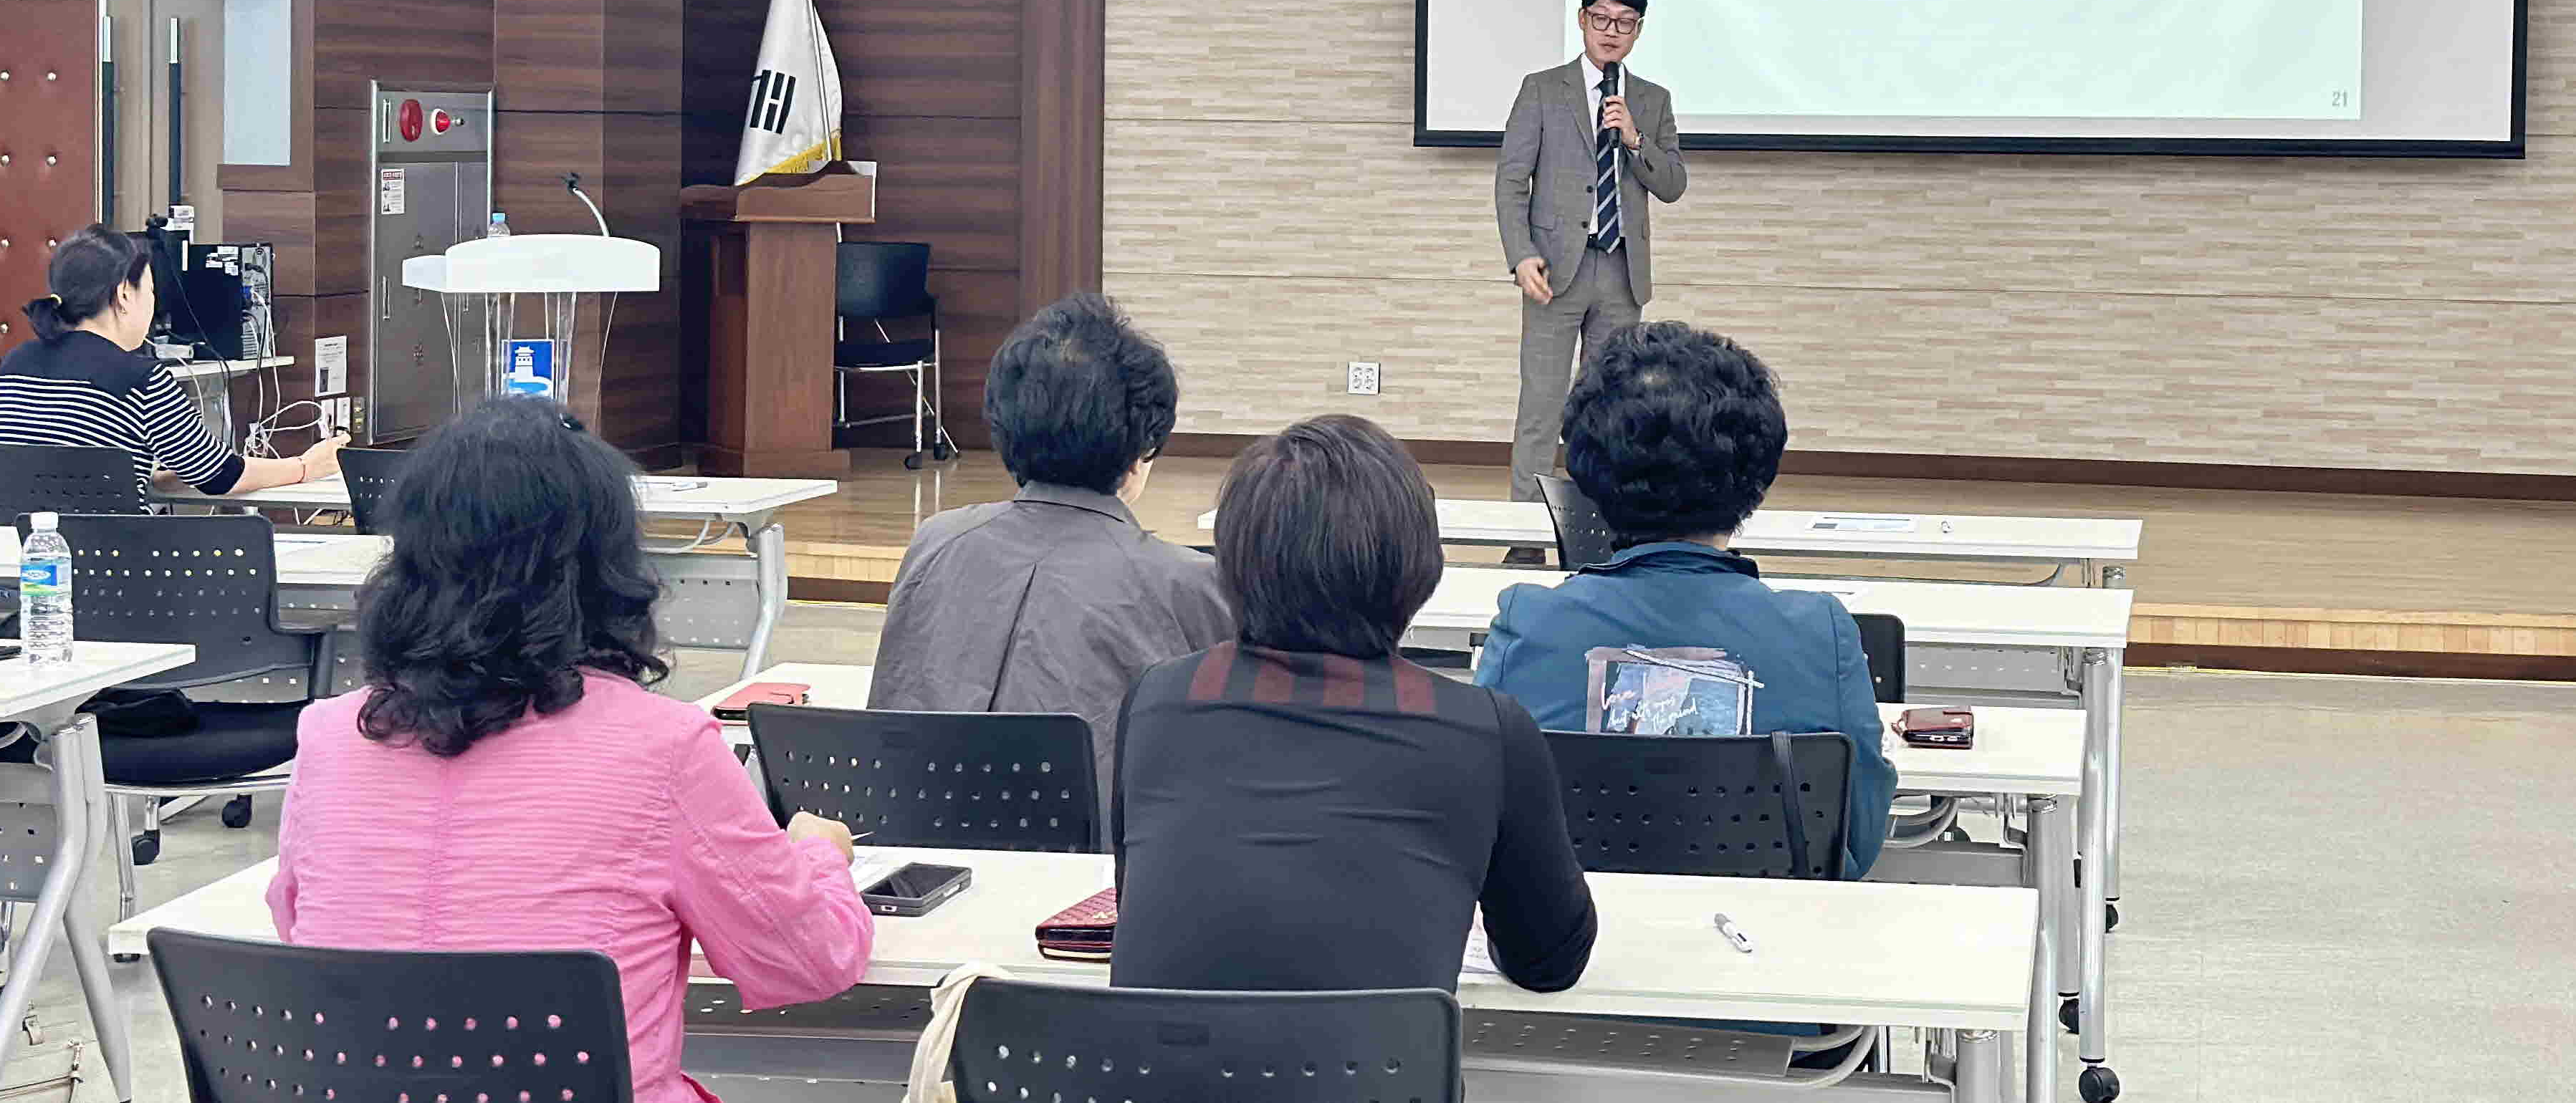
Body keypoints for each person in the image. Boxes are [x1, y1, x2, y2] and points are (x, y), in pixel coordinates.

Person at [269, 397, 872, 1103]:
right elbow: (809, 960)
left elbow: (303, 928)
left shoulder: (330, 736)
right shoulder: (665, 748)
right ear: (603, 564)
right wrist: (821, 855)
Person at [1112, 415, 1596, 994]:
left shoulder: (1156, 701)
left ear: (1233, 562)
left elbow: (1144, 903)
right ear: (1416, 565)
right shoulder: (1485, 731)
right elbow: (1549, 960)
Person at [1475, 323, 1897, 877]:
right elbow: (1858, 839)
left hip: (1569, 950)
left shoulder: (1528, 624)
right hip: (1771, 945)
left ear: (1587, 470)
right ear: (1758, 472)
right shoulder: (1823, 631)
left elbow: (1480, 817)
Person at [870, 293, 1230, 803]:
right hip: (1100, 873)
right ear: (1140, 450)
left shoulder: (935, 542)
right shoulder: (1191, 584)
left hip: (913, 853)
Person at [1495, 0, 1687, 506]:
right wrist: (1521, 255)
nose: (1611, 31)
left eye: (1624, 23)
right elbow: (1511, 179)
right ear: (1582, 19)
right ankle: (1529, 530)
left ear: (1639, 30)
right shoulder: (1542, 89)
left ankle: (1599, 524)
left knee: (1610, 410)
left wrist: (1635, 138)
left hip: (1622, 272)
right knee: (1542, 404)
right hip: (1555, 270)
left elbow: (1672, 183)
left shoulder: (1651, 100)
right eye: (1601, 18)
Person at [0, 225, 342, 496]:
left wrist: (154, 471)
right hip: (107, 574)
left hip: (10, 571)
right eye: (151, 291)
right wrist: (305, 466)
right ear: (125, 295)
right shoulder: (142, 379)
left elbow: (58, 471)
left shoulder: (16, 365)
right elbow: (222, 476)